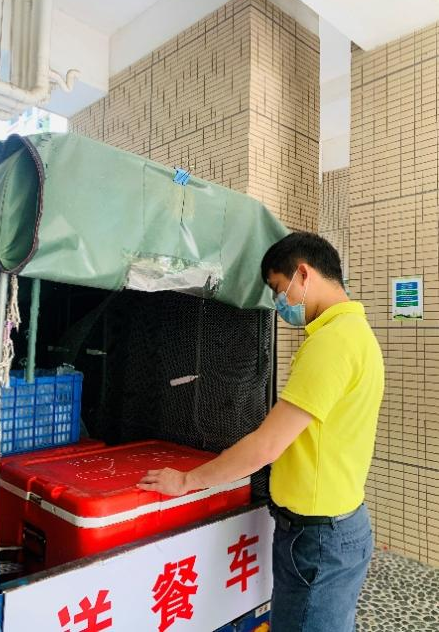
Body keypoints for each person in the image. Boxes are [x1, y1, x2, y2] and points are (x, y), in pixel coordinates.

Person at [138, 231, 385, 632]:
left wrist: (186, 480)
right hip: (335, 527)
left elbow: (267, 445)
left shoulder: (332, 343)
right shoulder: (356, 333)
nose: (277, 302)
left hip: (319, 540)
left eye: (277, 288)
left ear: (303, 274)